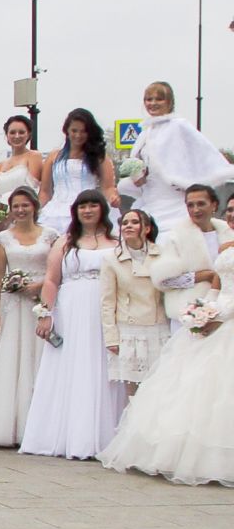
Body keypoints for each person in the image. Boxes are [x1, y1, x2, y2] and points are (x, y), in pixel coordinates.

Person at [100, 241, 234, 486]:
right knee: (189, 385)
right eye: (232, 211)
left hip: (228, 321)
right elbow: (218, 281)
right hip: (216, 314)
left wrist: (221, 316)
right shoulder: (226, 246)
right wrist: (204, 308)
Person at [20, 191, 127, 460]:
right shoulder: (65, 243)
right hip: (71, 307)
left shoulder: (116, 242)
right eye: (82, 206)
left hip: (103, 307)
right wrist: (45, 312)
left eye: (93, 205)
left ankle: (103, 435)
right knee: (70, 365)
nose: (88, 210)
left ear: (102, 209)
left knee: (101, 366)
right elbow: (51, 280)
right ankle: (63, 433)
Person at [0, 187, 51, 447]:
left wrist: (39, 287)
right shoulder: (3, 239)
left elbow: (55, 274)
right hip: (13, 306)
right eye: (16, 206)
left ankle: (41, 426)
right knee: (12, 361)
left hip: (39, 303)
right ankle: (10, 426)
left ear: (34, 206)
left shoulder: (50, 236)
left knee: (39, 360)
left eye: (25, 205)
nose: (21, 210)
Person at [128, 81, 234, 239]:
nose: (153, 103)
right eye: (149, 99)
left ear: (169, 102)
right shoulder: (145, 133)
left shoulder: (179, 126)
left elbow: (203, 152)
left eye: (159, 99)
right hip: (151, 201)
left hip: (176, 202)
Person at [102, 209, 169, 396]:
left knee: (160, 387)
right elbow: (107, 301)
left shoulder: (162, 254)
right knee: (133, 393)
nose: (128, 226)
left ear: (147, 228)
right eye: (124, 223)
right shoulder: (111, 259)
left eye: (134, 222)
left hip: (158, 327)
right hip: (129, 331)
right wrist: (111, 338)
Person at [150, 184, 233, 330]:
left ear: (214, 205)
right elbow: (163, 281)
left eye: (201, 204)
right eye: (190, 205)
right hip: (191, 314)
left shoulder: (228, 232)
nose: (195, 210)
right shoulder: (176, 237)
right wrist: (202, 276)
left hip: (225, 313)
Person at [38, 108, 117, 233]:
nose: (78, 135)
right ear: (67, 131)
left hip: (86, 208)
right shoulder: (54, 156)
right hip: (55, 212)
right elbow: (45, 192)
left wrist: (113, 198)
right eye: (74, 131)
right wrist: (35, 209)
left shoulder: (99, 157)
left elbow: (107, 187)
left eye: (83, 131)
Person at [0, 115, 47, 207]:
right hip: (1, 212)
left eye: (21, 132)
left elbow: (33, 188)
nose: (17, 136)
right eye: (12, 132)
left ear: (28, 134)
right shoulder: (0, 165)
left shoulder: (34, 156)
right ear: (7, 135)